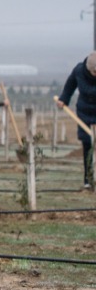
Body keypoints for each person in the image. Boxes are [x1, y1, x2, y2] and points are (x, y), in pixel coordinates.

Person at [58, 53, 96, 190]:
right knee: (87, 145)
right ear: (89, 69)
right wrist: (63, 99)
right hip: (84, 113)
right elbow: (70, 85)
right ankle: (88, 179)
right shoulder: (79, 70)